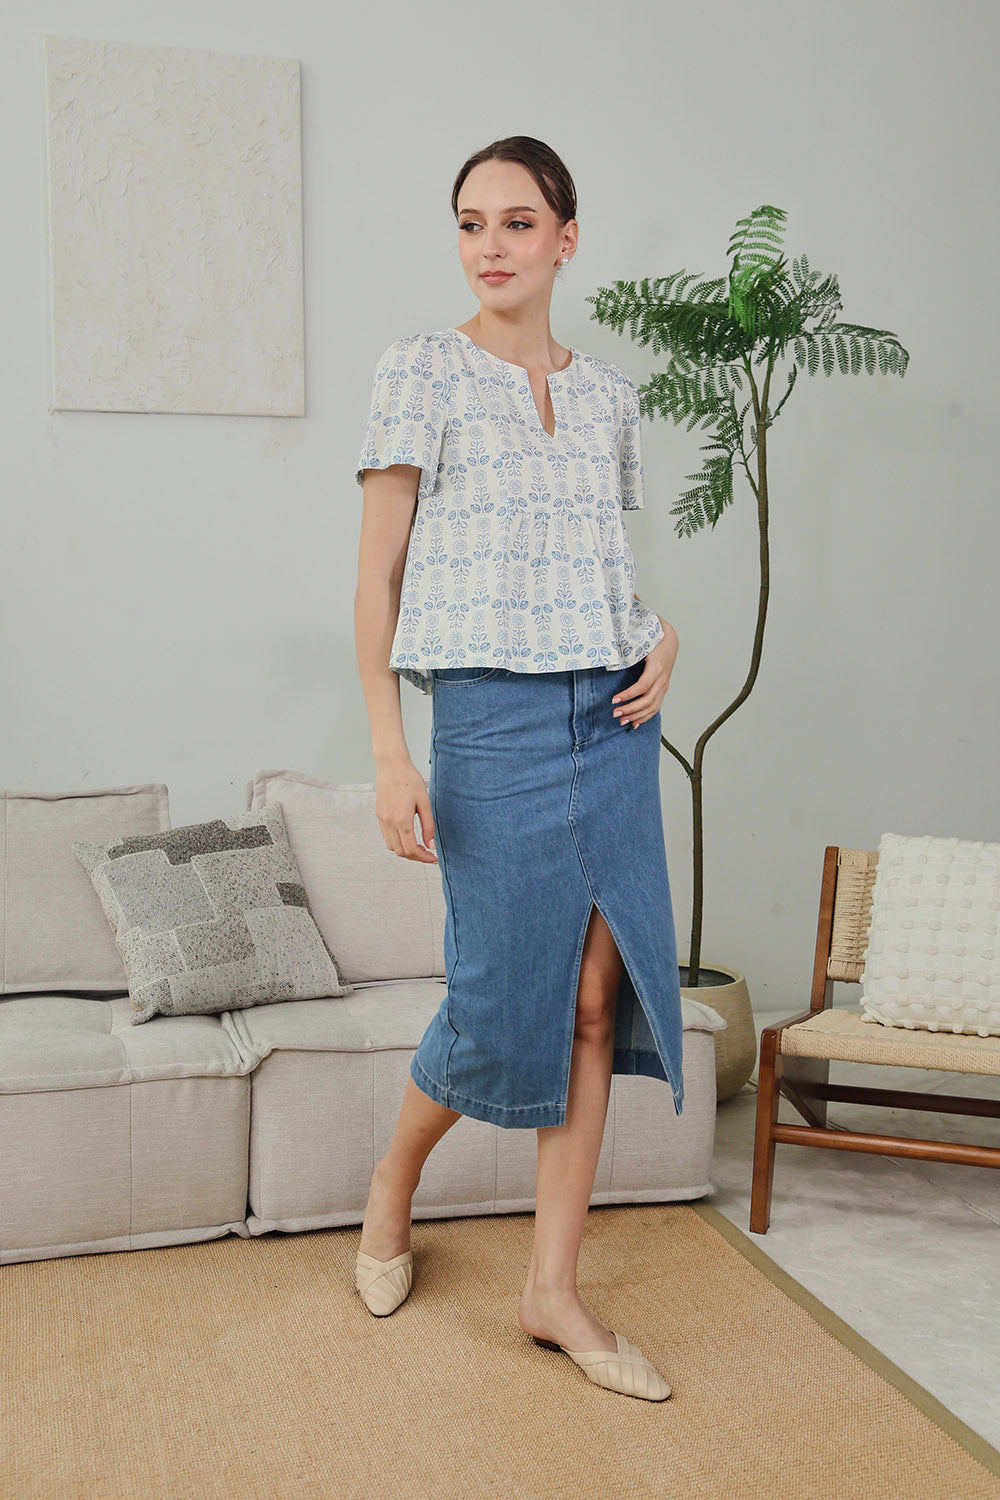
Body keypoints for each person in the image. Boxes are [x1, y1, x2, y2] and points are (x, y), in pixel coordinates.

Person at [352, 135, 682, 1402]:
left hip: (613, 720)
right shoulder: (420, 371)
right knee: (499, 1003)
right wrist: (390, 749)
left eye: (517, 221)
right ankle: (395, 1181)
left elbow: (595, 567)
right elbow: (377, 578)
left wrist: (663, 633)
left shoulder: (608, 397)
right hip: (486, 722)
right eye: (470, 222)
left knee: (597, 1002)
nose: (490, 245)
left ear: (565, 237)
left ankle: (552, 1290)